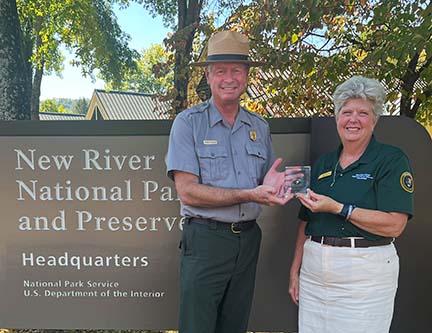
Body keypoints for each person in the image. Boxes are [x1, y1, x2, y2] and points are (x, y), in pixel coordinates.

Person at [166, 30, 293, 333]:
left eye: (236, 70)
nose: (229, 78)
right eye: (220, 70)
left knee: (234, 326)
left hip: (248, 239)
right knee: (198, 327)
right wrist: (250, 193)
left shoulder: (259, 127)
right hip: (207, 240)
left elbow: (266, 181)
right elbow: (188, 192)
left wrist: (280, 185)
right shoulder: (188, 123)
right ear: (208, 77)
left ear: (247, 75)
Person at [288, 75, 414, 333]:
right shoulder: (324, 164)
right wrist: (295, 270)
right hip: (314, 273)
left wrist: (339, 208)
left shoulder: (391, 160)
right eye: (346, 112)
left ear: (375, 120)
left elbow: (395, 225)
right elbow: (305, 221)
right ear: (337, 118)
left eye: (363, 113)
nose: (353, 119)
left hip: (365, 275)